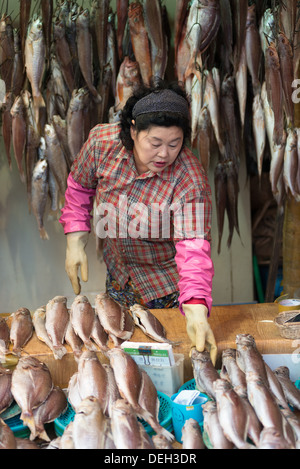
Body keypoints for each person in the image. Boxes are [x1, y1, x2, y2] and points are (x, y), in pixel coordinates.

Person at [59, 80, 217, 363]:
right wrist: (75, 238)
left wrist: (194, 304)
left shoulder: (189, 179)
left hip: (166, 287)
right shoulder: (102, 143)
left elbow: (193, 246)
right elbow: (79, 187)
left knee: (168, 359)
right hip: (119, 277)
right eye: (154, 143)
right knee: (122, 357)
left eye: (174, 143)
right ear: (132, 130)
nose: (164, 154)